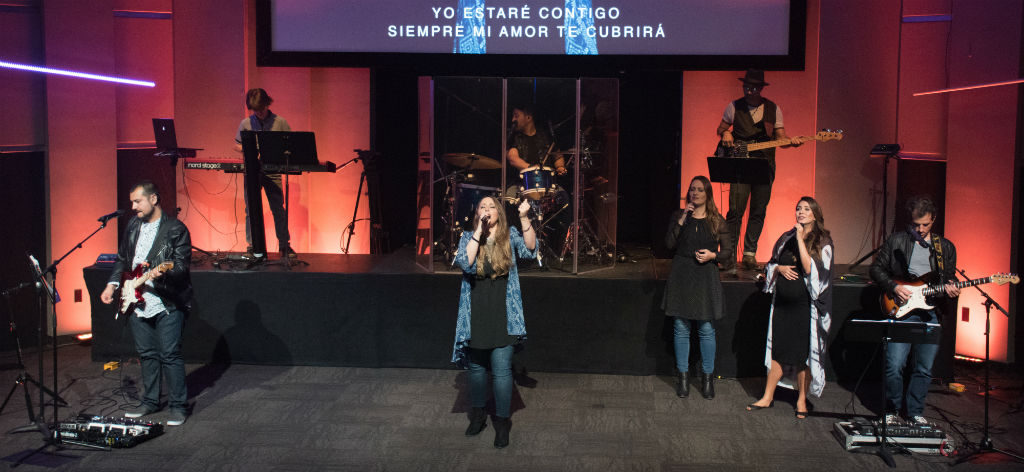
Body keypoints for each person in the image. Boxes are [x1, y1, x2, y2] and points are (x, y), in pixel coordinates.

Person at [100, 180, 192, 426]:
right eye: (132, 202)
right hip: (137, 301)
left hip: (166, 301)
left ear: (153, 199)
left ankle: (178, 406)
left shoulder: (175, 229)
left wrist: (164, 272)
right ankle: (150, 401)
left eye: (137, 201)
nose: (133, 207)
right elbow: (122, 260)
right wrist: (113, 285)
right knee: (147, 354)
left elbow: (182, 267)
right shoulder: (132, 225)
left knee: (170, 354)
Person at [451, 196, 537, 449]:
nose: (487, 210)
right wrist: (478, 231)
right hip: (476, 313)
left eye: (491, 207)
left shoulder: (509, 235)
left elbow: (530, 249)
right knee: (476, 370)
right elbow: (465, 263)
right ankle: (477, 415)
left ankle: (502, 422)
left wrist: (524, 218)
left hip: (504, 313)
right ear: (477, 213)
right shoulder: (468, 236)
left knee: (501, 371)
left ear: (499, 212)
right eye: (482, 207)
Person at [870, 196, 959, 425]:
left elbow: (949, 278)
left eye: (925, 225)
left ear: (934, 220)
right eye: (915, 225)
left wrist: (951, 288)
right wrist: (894, 287)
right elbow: (876, 269)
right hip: (901, 308)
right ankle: (891, 410)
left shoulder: (945, 247)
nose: (920, 230)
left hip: (930, 310)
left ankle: (914, 412)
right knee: (894, 364)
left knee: (924, 367)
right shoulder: (897, 240)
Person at [747, 197, 832, 419]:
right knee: (778, 350)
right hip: (782, 307)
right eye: (798, 208)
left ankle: (802, 400)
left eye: (806, 209)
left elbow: (811, 269)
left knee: (802, 354)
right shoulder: (785, 237)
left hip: (804, 308)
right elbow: (771, 264)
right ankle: (768, 396)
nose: (801, 212)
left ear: (815, 214)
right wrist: (780, 268)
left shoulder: (822, 241)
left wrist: (801, 239)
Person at [716, 69, 806, 272]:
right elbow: (720, 128)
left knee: (758, 210)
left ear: (761, 89)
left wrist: (792, 142)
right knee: (735, 211)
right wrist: (727, 133)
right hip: (741, 163)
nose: (749, 91)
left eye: (753, 87)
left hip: (764, 164)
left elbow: (780, 137)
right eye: (746, 87)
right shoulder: (734, 106)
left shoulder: (773, 109)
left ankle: (749, 253)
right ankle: (728, 255)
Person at [662, 176, 731, 400]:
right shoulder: (679, 216)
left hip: (705, 276)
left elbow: (729, 254)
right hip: (682, 274)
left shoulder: (717, 220)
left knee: (706, 329)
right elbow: (669, 245)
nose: (695, 193)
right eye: (692, 190)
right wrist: (683, 218)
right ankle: (683, 378)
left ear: (708, 194)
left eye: (700, 190)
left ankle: (707, 379)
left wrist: (714, 255)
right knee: (681, 327)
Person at [234, 88, 294, 258]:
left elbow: (290, 144)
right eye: (255, 110)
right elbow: (236, 144)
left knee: (278, 209)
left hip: (273, 171)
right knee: (250, 210)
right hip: (252, 172)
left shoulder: (280, 122)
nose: (259, 113)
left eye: (261, 109)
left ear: (268, 104)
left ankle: (284, 245)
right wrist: (249, 150)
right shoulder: (246, 123)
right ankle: (252, 246)